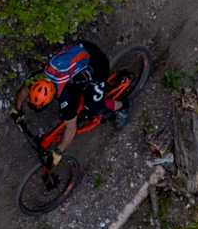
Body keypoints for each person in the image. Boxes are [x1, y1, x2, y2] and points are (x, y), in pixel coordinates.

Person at [11, 39, 127, 167]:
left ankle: (122, 106)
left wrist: (58, 153)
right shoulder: (41, 77)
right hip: (82, 49)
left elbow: (71, 128)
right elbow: (25, 90)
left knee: (96, 107)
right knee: (76, 90)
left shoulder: (64, 96)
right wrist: (17, 109)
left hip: (97, 64)